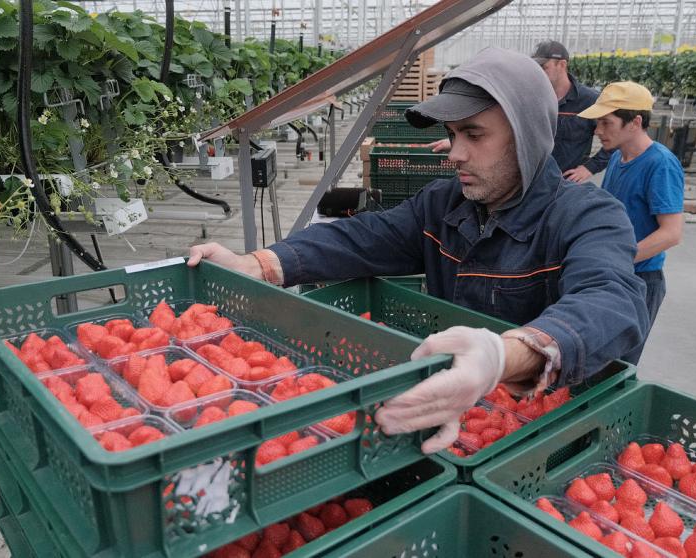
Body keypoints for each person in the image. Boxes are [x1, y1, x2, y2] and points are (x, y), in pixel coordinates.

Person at [188, 48, 648, 454]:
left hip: (536, 434)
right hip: (446, 416)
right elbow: (363, 237)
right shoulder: (444, 204)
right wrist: (257, 264)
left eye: (474, 134)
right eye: (452, 134)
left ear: (527, 137)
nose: (455, 154)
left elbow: (612, 299)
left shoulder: (588, 215)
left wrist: (504, 355)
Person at [578, 81, 684, 351]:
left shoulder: (660, 164)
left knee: (620, 362)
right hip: (613, 272)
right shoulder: (617, 158)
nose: (599, 131)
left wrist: (621, 257)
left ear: (635, 122)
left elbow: (671, 233)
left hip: (640, 280)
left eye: (606, 123)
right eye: (598, 124)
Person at [429, 40, 610, 183]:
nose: (538, 72)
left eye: (544, 67)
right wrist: (466, 138)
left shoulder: (589, 100)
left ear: (562, 65)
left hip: (567, 182)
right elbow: (509, 131)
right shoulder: (530, 96)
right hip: (532, 181)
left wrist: (589, 168)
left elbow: (615, 137)